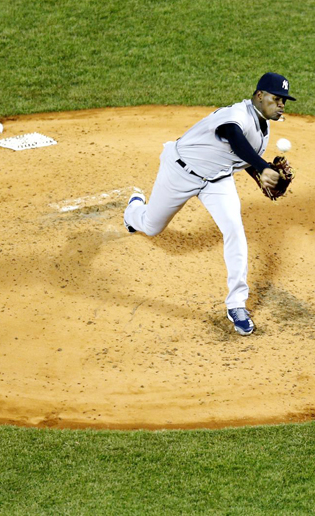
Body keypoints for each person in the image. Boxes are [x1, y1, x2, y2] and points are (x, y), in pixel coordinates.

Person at [123, 72, 296, 336]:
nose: (281, 104)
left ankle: (236, 304)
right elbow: (232, 136)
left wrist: (260, 175)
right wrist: (263, 167)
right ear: (259, 96)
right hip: (180, 170)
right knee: (151, 226)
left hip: (217, 180)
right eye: (276, 98)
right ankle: (134, 210)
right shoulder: (237, 114)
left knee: (235, 230)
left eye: (284, 100)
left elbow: (244, 156)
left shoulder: (265, 129)